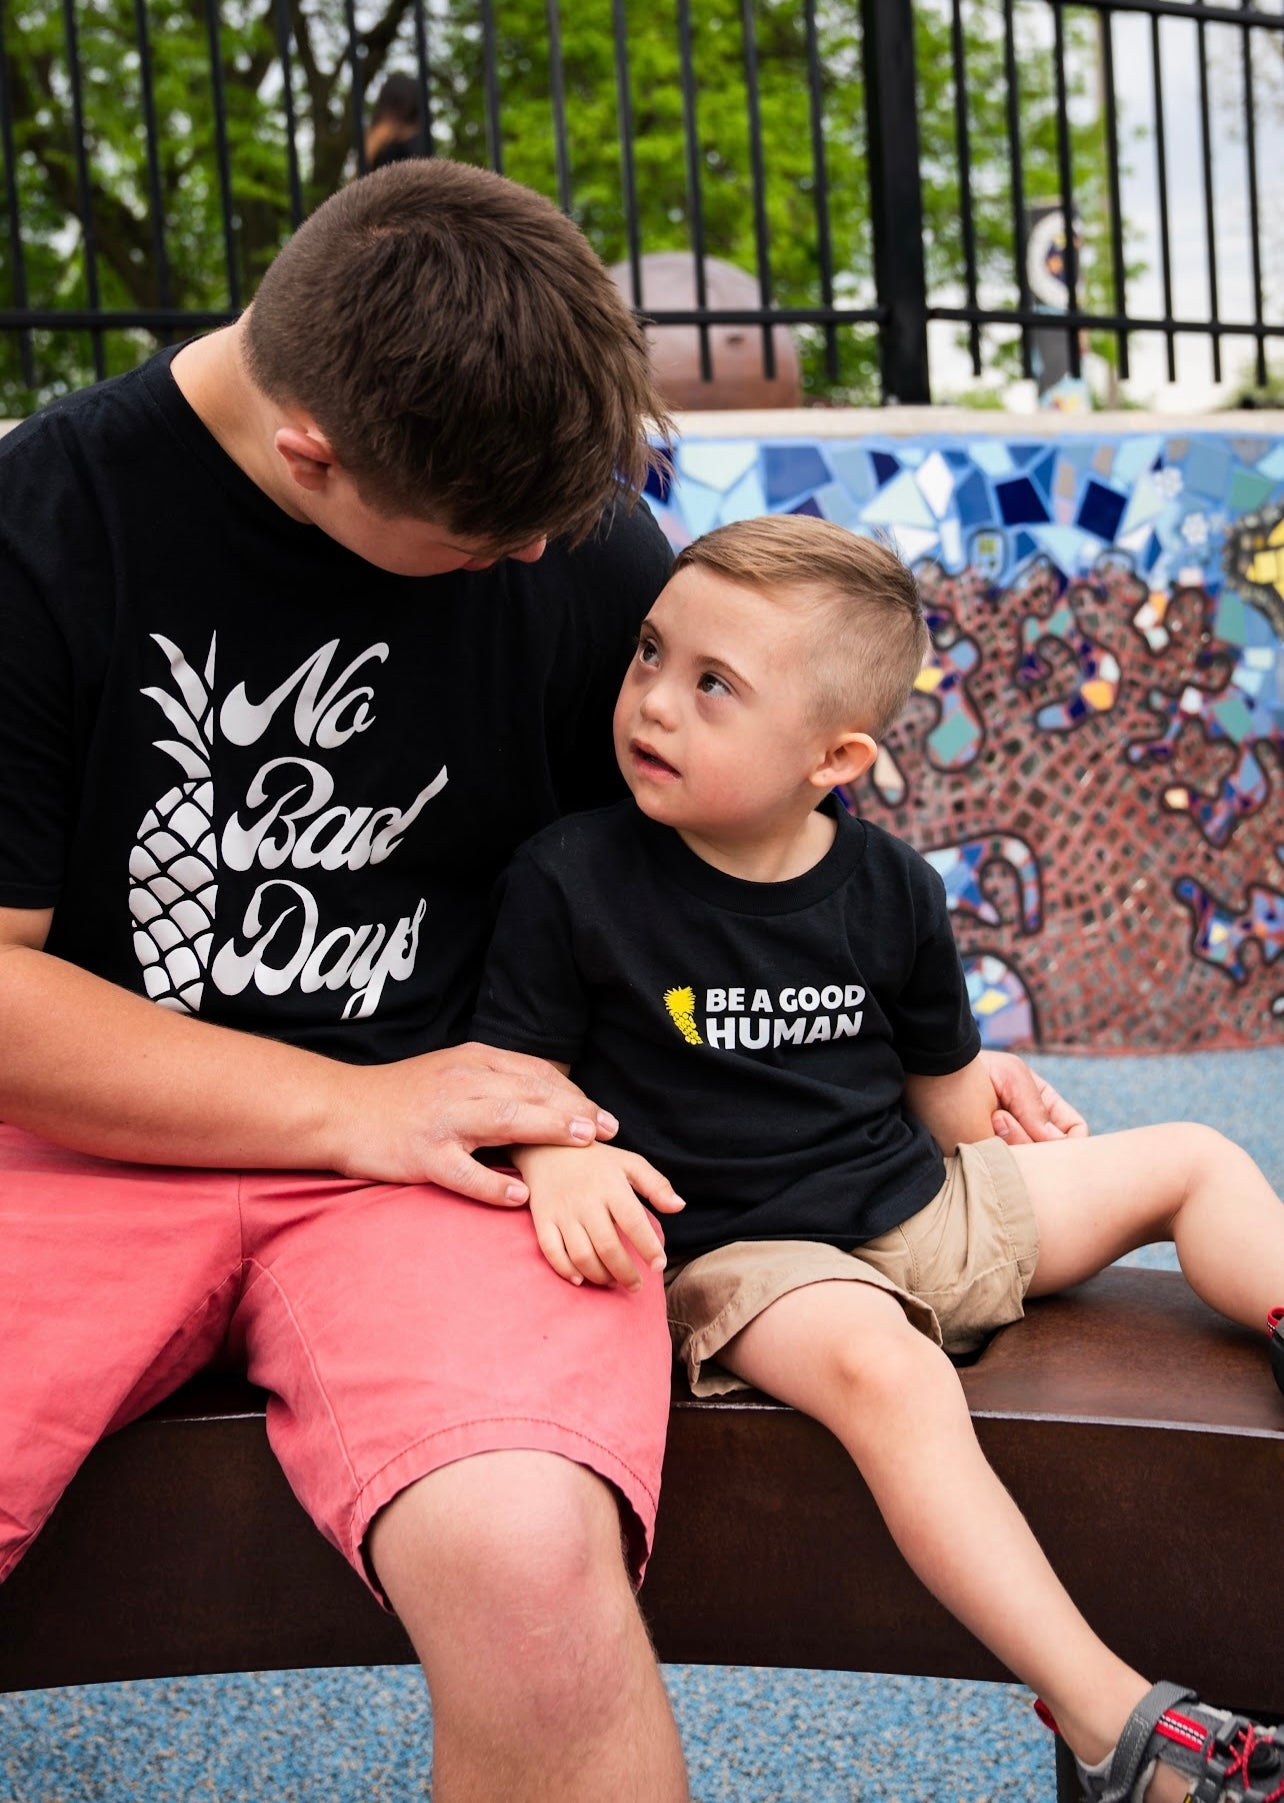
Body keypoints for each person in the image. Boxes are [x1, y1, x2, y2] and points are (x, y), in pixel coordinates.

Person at [0, 160, 1083, 1800]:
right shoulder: (44, 527)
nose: (543, 566)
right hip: (81, 1148)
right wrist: (353, 1105)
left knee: (531, 1569)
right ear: (315, 453)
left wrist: (918, 1077)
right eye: (490, 543)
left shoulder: (561, 527)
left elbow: (740, 861)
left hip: (459, 1168)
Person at [472, 514, 1284, 1803]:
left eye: (713, 685)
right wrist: (557, 1154)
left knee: (1191, 1154)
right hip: (754, 1260)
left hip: (917, 1206)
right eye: (648, 655)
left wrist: (1017, 1128)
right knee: (891, 1370)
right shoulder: (572, 878)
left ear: (834, 756)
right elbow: (516, 1072)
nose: (653, 703)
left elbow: (952, 1107)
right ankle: (1110, 1720)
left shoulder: (892, 888)